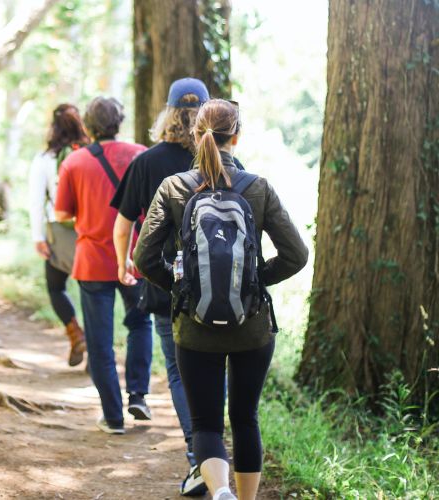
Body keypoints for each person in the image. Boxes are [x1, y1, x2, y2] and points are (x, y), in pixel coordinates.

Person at [134, 99, 308, 500]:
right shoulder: (258, 188)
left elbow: (145, 257)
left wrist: (181, 290)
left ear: (195, 136)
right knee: (245, 419)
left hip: (194, 329)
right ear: (238, 135)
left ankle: (219, 492)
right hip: (253, 328)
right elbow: (297, 255)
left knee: (206, 425)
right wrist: (255, 281)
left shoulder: (174, 188)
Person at [110, 77, 211, 494]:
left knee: (178, 370)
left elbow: (121, 226)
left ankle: (198, 458)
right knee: (214, 369)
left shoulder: (147, 163)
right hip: (219, 285)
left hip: (164, 282)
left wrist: (123, 265)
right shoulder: (220, 161)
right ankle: (215, 454)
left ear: (167, 114)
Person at [54, 96, 152, 435]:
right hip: (135, 257)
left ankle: (113, 417)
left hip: (93, 260)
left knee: (99, 341)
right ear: (119, 122)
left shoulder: (75, 163)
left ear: (88, 126)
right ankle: (138, 393)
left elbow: (62, 213)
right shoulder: (141, 154)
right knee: (140, 324)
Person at [28, 103, 89, 366]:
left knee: (56, 287)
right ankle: (96, 350)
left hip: (59, 233)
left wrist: (38, 237)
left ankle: (75, 333)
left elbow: (35, 201)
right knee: (92, 292)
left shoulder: (45, 159)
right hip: (90, 233)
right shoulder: (90, 154)